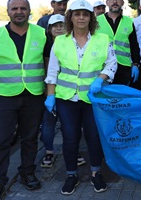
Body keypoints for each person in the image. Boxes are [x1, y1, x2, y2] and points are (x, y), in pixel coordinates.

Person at [0, 0, 51, 200]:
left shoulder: (41, 33)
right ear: (8, 11)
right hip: (5, 96)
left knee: (29, 138)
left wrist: (49, 89)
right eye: (15, 8)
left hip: (34, 94)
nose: (19, 11)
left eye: (23, 8)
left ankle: (27, 172)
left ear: (30, 11)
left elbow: (47, 62)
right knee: (1, 140)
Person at [44, 0, 117, 195]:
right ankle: (71, 175)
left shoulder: (102, 39)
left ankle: (95, 173)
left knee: (94, 136)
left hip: (93, 98)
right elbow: (53, 71)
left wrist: (100, 79)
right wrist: (50, 96)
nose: (81, 17)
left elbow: (112, 64)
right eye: (77, 14)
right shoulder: (60, 41)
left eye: (85, 14)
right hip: (66, 98)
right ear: (71, 17)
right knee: (70, 137)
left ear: (91, 18)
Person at [39, 14, 86, 168]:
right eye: (55, 26)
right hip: (49, 93)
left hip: (69, 94)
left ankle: (74, 152)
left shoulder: (74, 44)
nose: (59, 28)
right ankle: (49, 152)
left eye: (62, 25)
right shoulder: (43, 47)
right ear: (49, 29)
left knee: (71, 126)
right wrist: (48, 92)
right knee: (48, 124)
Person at [96, 0, 141, 86]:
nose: (115, 2)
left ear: (122, 2)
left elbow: (134, 45)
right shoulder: (96, 22)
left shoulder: (129, 22)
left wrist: (136, 64)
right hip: (103, 66)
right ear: (107, 2)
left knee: (121, 99)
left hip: (123, 67)